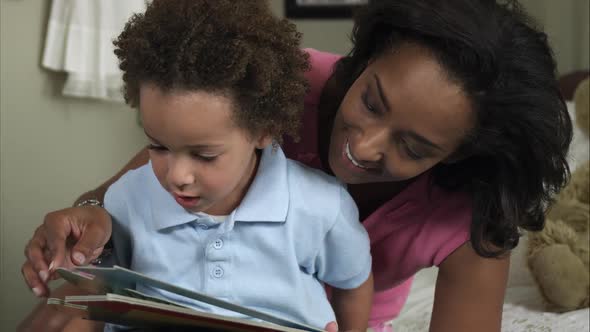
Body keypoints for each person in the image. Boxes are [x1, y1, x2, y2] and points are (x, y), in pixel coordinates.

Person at [20, 0, 573, 331]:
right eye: (372, 101)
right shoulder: (281, 85)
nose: (366, 146)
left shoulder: (470, 217)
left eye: (415, 147)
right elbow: (172, 159)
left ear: (461, 156)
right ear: (368, 58)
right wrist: (86, 217)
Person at [21, 0, 375, 331]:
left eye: (204, 155)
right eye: (158, 146)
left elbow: (353, 282)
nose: (176, 176)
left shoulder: (321, 205)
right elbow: (99, 285)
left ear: (263, 130)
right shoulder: (126, 199)